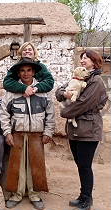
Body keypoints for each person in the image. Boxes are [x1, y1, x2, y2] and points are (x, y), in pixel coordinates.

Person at [0, 58, 55, 210]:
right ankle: (17, 194)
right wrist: (7, 132)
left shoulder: (43, 92)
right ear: (18, 73)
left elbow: (50, 114)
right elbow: (4, 113)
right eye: (22, 70)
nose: (26, 73)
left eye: (29, 70)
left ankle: (34, 194)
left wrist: (48, 131)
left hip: (36, 135)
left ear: (34, 72)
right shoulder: (12, 92)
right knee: (17, 166)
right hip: (17, 134)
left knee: (35, 165)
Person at [55, 50, 107, 210]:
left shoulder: (96, 81)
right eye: (82, 58)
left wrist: (64, 112)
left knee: (84, 165)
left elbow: (83, 103)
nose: (83, 60)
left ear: (94, 61)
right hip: (76, 129)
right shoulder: (78, 76)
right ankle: (83, 196)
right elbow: (58, 92)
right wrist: (65, 93)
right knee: (80, 164)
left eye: (86, 58)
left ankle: (86, 199)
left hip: (88, 129)